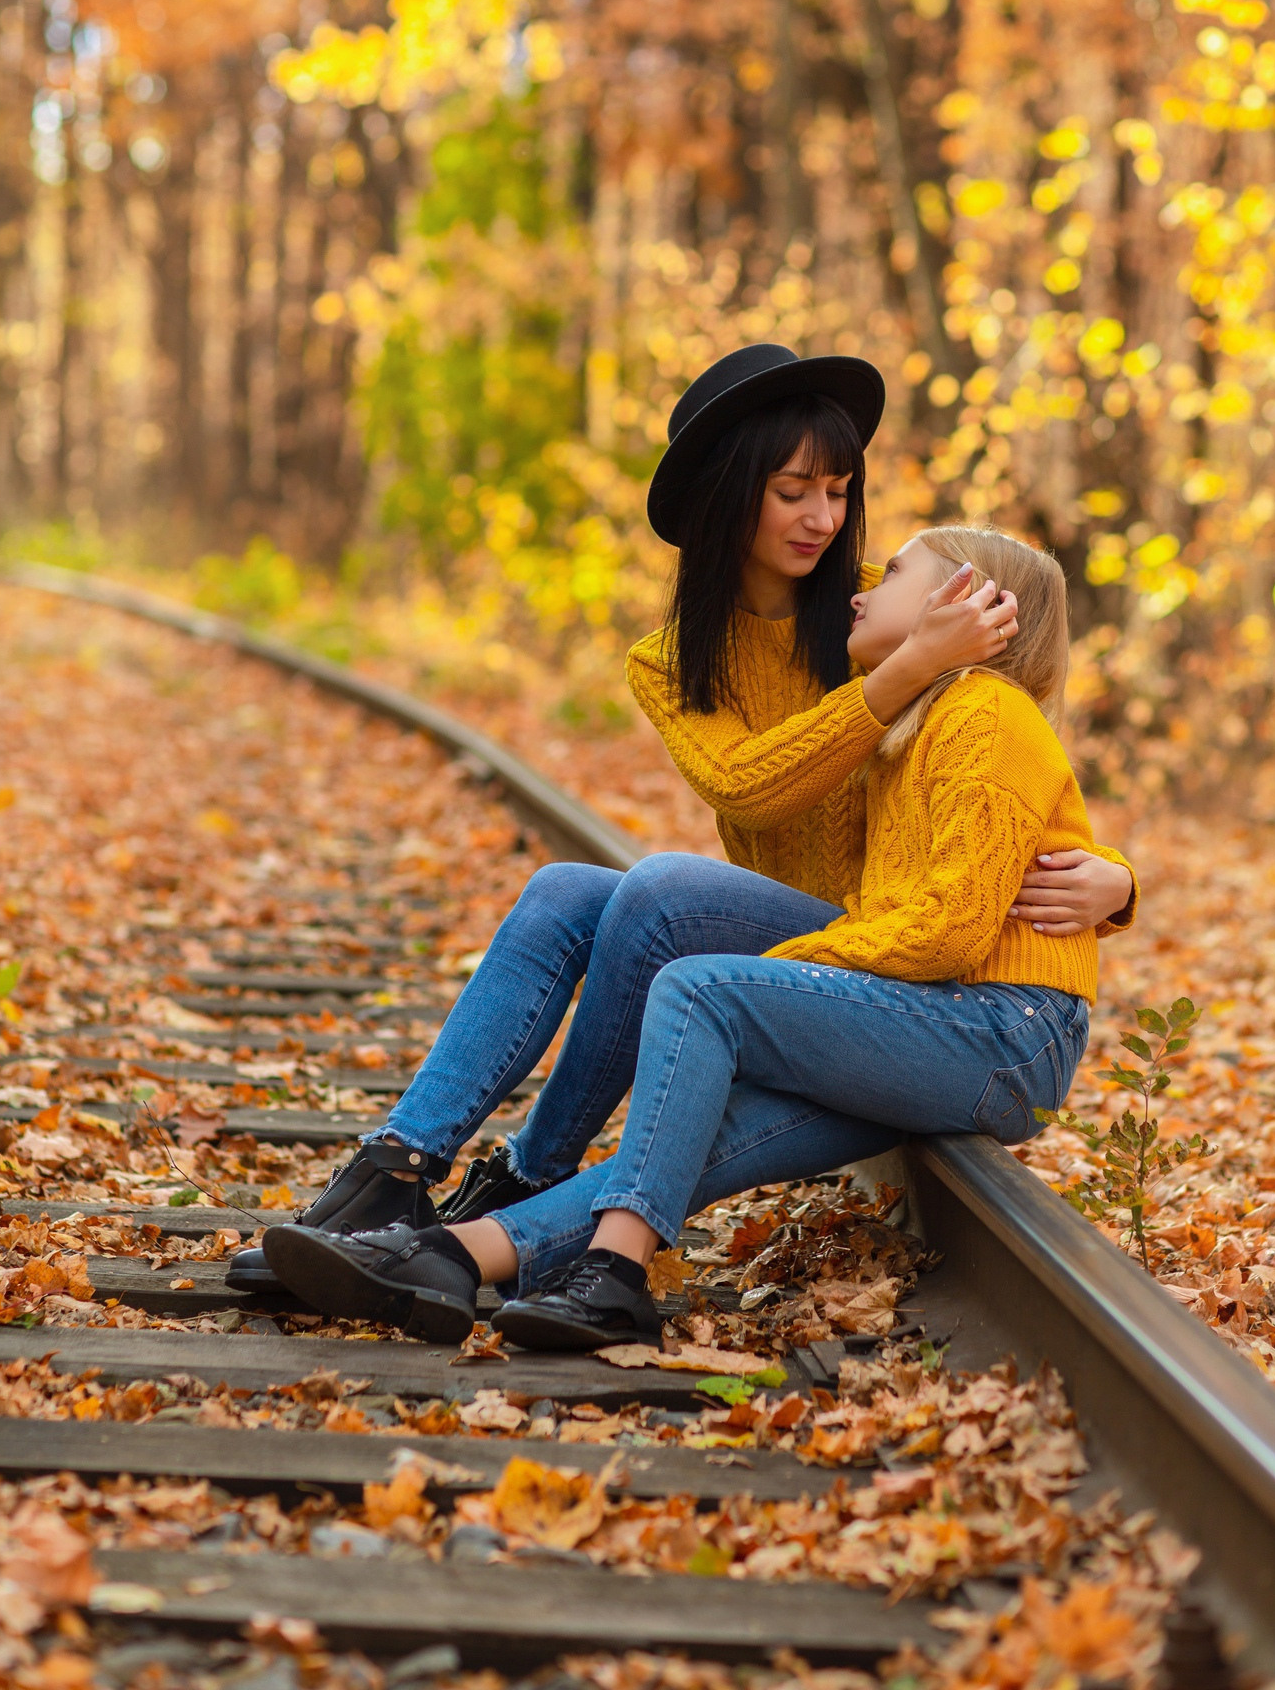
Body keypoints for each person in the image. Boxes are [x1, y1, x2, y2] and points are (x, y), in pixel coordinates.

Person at [229, 347, 1131, 1293]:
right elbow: (750, 786)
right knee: (568, 890)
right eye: (792, 492)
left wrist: (1114, 881)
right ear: (731, 496)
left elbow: (1009, 746)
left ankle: (532, 1175)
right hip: (837, 941)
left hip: (881, 949)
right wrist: (897, 678)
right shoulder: (681, 661)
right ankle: (398, 1169)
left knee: (660, 892)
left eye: (836, 489)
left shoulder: (891, 608)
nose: (823, 519)